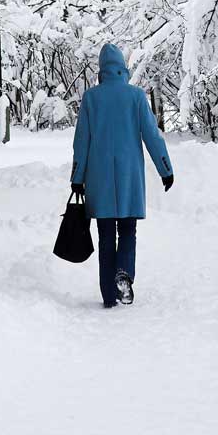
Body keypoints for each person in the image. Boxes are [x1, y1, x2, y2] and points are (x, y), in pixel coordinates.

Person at [70, 43, 174, 308]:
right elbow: (152, 135)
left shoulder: (91, 98)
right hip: (129, 178)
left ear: (101, 70)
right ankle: (124, 273)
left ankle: (108, 296)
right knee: (128, 231)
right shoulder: (136, 96)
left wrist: (77, 177)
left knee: (106, 237)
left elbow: (81, 140)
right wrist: (165, 169)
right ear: (123, 68)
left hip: (99, 180)